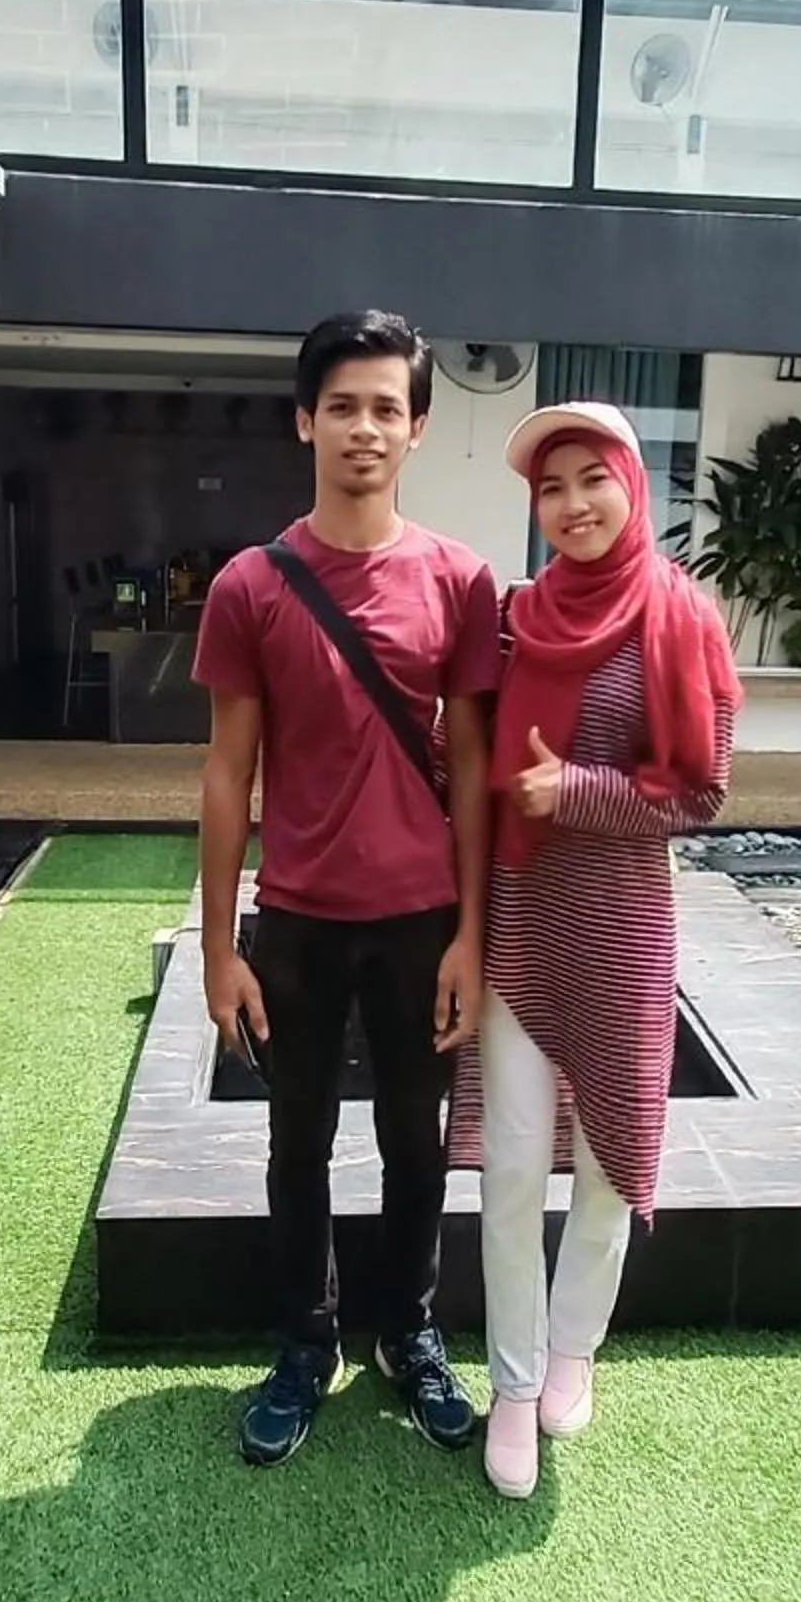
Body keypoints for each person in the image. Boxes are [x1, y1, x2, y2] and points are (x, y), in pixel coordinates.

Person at [193, 310, 502, 1467]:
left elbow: (471, 765)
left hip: (422, 919)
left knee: (416, 1144)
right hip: (303, 922)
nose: (363, 427)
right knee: (298, 1142)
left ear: (417, 429)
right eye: (342, 405)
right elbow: (229, 775)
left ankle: (408, 1331)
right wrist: (219, 947)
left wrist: (473, 931)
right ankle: (304, 1342)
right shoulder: (251, 586)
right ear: (303, 420)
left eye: (386, 408)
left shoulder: (460, 582)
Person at [447, 402, 740, 1500]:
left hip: (619, 918)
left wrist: (570, 791)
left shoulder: (681, 617)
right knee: (515, 1162)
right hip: (522, 912)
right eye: (551, 487)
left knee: (615, 1155)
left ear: (631, 484)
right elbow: (460, 743)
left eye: (590, 480)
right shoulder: (516, 619)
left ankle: (576, 1350)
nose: (571, 505)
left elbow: (702, 789)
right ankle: (513, 1381)